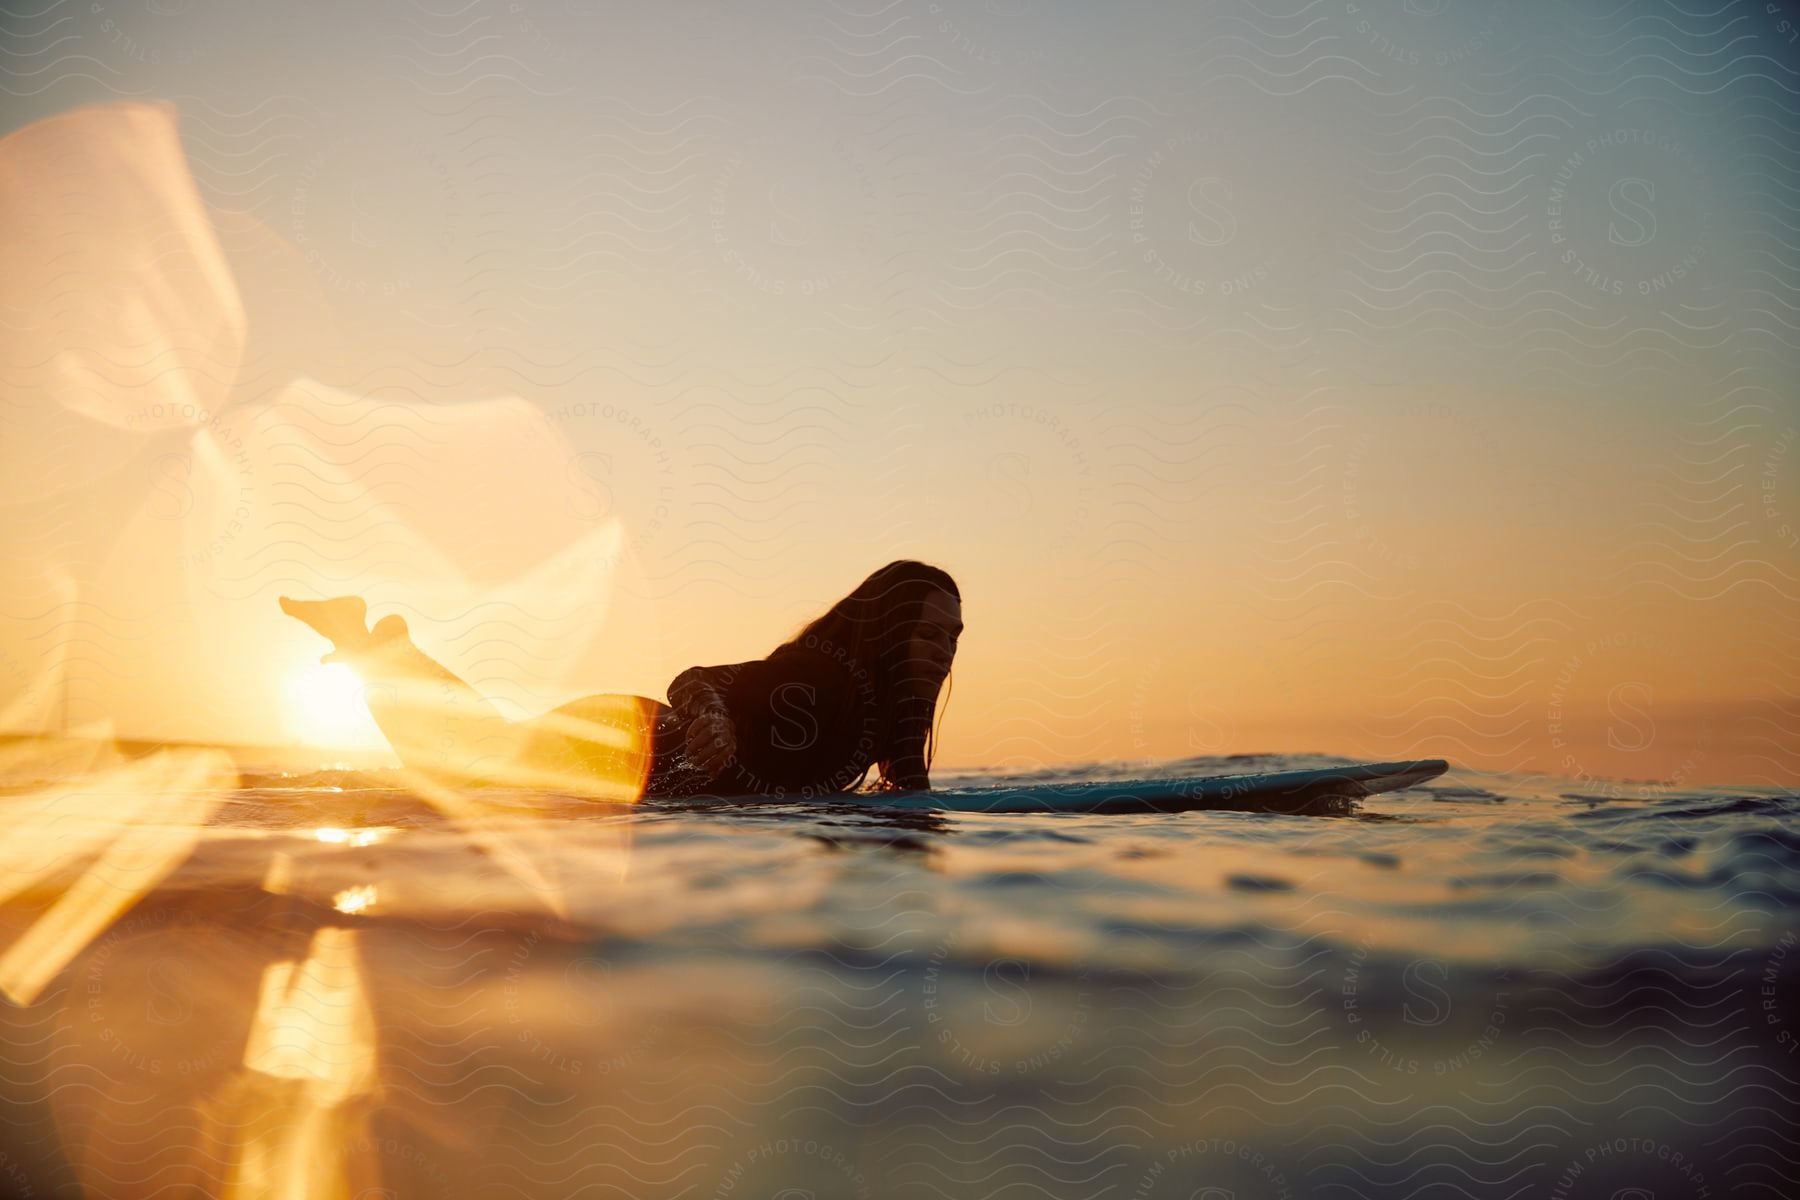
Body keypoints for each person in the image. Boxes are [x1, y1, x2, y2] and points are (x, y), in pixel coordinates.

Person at [279, 560, 962, 800]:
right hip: (623, 742)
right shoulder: (821, 679)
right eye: (928, 634)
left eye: (952, 639)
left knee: (480, 761)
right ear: (887, 633)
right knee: (468, 775)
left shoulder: (879, 717)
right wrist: (714, 719)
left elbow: (908, 799)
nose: (942, 653)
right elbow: (696, 678)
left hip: (627, 755)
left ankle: (372, 644)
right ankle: (375, 649)